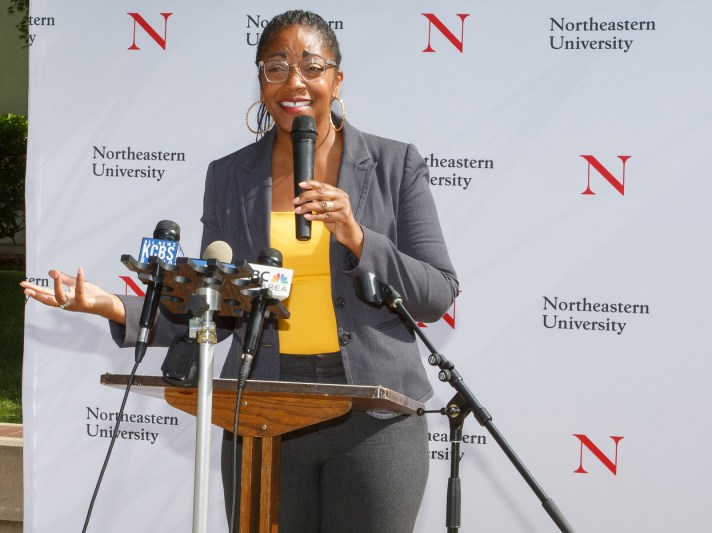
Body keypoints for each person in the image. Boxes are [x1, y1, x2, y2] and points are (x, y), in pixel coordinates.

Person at [21, 9, 458, 533]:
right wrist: (109, 304)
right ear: (260, 81)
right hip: (262, 406)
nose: (293, 81)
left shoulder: (394, 165)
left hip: (375, 415)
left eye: (311, 66)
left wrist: (357, 235)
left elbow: (436, 293)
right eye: (276, 67)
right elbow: (216, 303)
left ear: (337, 79)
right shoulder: (229, 176)